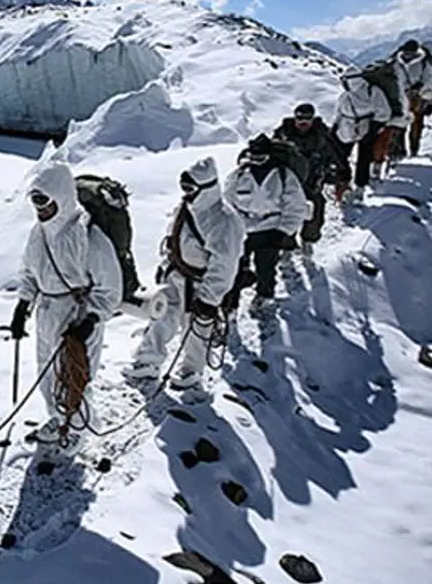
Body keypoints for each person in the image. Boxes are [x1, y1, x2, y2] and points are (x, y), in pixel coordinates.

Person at [8, 162, 123, 456]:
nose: (40, 210)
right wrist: (23, 303)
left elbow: (109, 288)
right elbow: (30, 271)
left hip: (77, 315)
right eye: (36, 202)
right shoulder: (39, 233)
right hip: (47, 312)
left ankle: (78, 429)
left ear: (61, 197)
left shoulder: (89, 237)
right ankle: (58, 419)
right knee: (47, 374)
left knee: (75, 375)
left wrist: (92, 319)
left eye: (45, 202)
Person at [124, 157, 245, 403]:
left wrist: (210, 298)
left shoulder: (224, 220)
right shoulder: (187, 208)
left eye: (190, 189)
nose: (186, 194)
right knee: (162, 317)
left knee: (197, 330)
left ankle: (191, 373)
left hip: (201, 284)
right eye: (184, 189)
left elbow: (225, 264)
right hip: (176, 276)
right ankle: (148, 361)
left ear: (207, 188)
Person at [225, 134, 310, 309]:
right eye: (253, 157)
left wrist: (284, 231)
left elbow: (296, 206)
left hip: (271, 228)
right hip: (243, 228)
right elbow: (228, 202)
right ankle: (230, 302)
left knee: (265, 267)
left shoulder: (284, 176)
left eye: (260, 157)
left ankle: (264, 296)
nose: (256, 161)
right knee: (235, 267)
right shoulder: (239, 175)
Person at [273, 103, 344, 253]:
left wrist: (342, 173)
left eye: (307, 118)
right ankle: (287, 246)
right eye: (299, 118)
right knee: (286, 214)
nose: (303, 122)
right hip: (289, 183)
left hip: (312, 181)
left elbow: (337, 154)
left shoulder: (322, 136)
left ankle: (308, 241)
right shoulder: (283, 134)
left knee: (315, 211)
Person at [332, 66, 393, 203]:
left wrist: (373, 130)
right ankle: (346, 184)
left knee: (360, 159)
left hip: (359, 128)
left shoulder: (372, 92)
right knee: (345, 157)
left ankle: (357, 187)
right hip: (352, 127)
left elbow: (383, 113)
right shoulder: (353, 94)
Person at [393, 39, 432, 157]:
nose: (407, 55)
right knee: (399, 126)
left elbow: (430, 82)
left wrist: (430, 102)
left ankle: (414, 150)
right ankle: (400, 152)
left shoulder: (424, 63)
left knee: (416, 127)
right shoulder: (396, 63)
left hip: (417, 98)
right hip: (401, 98)